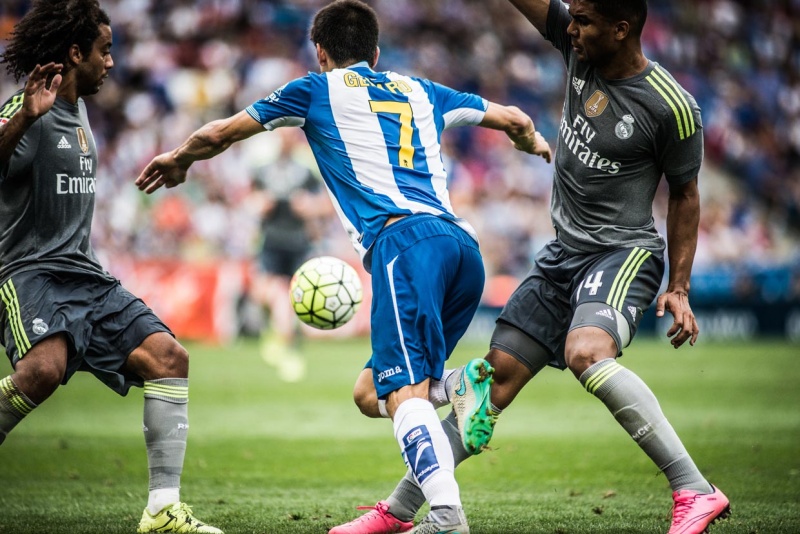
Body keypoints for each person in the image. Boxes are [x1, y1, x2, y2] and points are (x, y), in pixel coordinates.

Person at [134, 1, 552, 532]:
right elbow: (515, 118)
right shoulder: (420, 89)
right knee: (369, 392)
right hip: (461, 248)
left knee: (403, 395)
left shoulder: (315, 89)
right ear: (375, 54)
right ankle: (454, 388)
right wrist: (533, 142)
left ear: (321, 53)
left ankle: (447, 516)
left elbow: (221, 133)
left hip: (404, 245)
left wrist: (180, 159)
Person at [332, 1, 731, 534]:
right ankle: (401, 511)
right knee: (489, 384)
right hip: (562, 256)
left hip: (623, 252)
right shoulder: (578, 48)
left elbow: (685, 194)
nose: (572, 28)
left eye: (584, 21)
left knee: (586, 352)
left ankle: (695, 489)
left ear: (621, 29)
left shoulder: (672, 107)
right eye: (573, 17)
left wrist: (678, 286)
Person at [0, 2, 222, 533]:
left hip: (83, 271)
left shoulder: (79, 111)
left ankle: (162, 511)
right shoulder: (27, 107)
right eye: (105, 50)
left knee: (168, 358)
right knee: (42, 372)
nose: (112, 62)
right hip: (27, 271)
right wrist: (24, 117)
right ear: (76, 53)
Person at [249, 130, 328, 382]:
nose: (286, 140)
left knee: (290, 296)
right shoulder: (263, 169)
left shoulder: (305, 170)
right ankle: (276, 333)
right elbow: (251, 199)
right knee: (264, 293)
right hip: (271, 240)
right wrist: (261, 204)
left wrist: (309, 208)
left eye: (291, 135)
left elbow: (325, 203)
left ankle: (288, 346)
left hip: (298, 242)